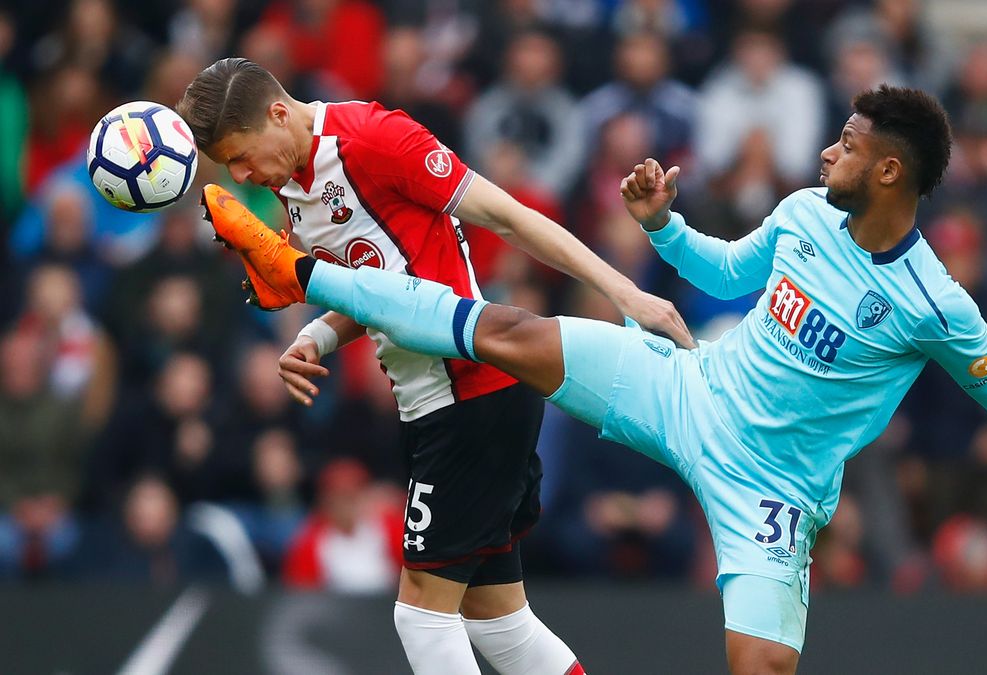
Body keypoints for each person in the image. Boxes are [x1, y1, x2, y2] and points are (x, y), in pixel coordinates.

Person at [201, 85, 987, 675]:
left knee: (761, 666)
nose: (824, 155)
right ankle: (307, 274)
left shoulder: (936, 302)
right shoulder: (806, 211)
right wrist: (660, 228)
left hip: (772, 488)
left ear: (889, 170)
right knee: (514, 334)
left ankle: (304, 275)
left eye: (844, 146)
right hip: (693, 390)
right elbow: (728, 273)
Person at [178, 58, 695, 675]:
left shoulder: (376, 139)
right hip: (434, 402)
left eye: (240, 156)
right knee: (499, 622)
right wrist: (317, 334)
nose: (239, 175)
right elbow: (377, 284)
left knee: (419, 616)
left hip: (472, 391)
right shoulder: (288, 181)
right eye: (227, 167)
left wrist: (624, 292)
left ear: (279, 113)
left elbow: (509, 215)